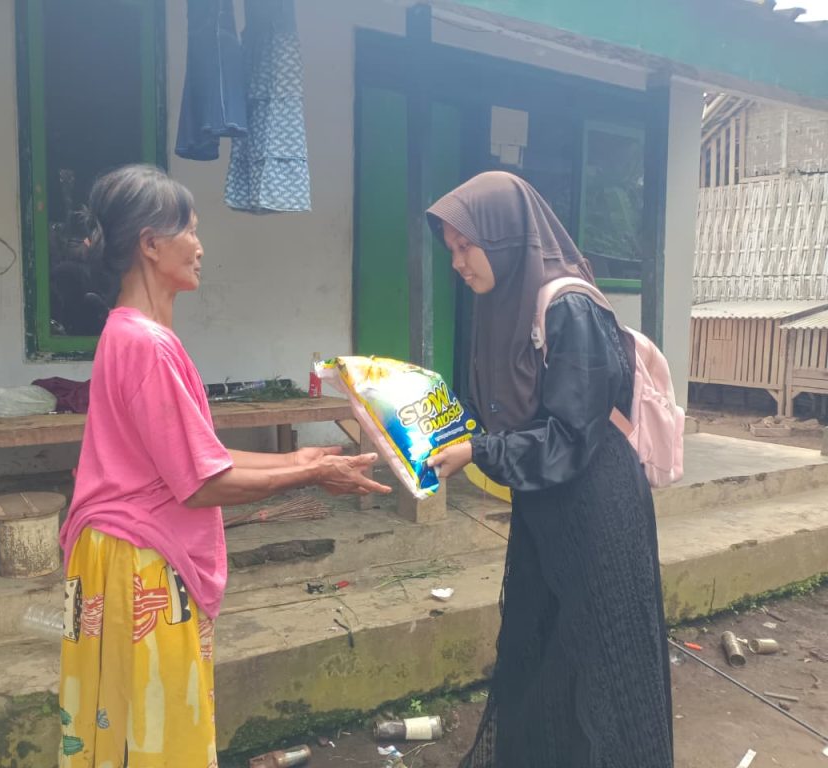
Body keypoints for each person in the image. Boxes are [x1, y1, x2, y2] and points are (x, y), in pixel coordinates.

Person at [56, 164, 390, 767]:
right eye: (189, 229)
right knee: (157, 742)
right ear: (150, 245)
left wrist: (293, 456)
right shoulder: (147, 345)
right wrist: (312, 475)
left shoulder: (128, 334)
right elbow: (201, 483)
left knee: (121, 733)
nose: (200, 246)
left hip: (119, 556)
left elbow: (193, 454)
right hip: (140, 565)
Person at [425, 172, 673, 768]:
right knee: (538, 652)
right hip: (545, 504)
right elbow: (507, 414)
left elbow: (570, 435)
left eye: (467, 246)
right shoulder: (501, 306)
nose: (458, 263)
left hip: (596, 505)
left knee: (600, 660)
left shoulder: (569, 307)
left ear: (505, 237)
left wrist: (481, 452)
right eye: (451, 249)